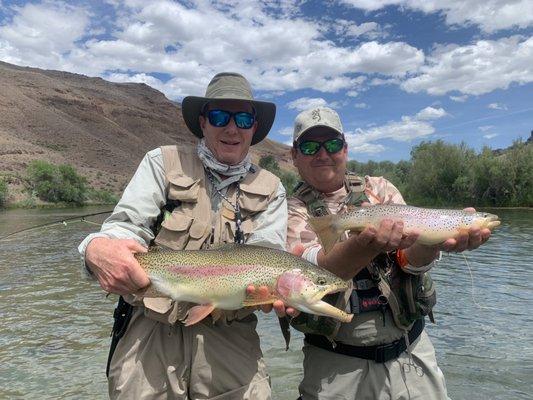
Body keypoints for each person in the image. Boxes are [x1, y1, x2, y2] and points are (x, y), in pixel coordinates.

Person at [79, 72, 289, 400]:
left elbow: (269, 253)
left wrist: (272, 291)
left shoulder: (273, 189)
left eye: (243, 118)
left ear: (253, 128)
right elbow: (125, 227)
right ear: (204, 122)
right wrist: (96, 246)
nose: (232, 128)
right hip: (149, 336)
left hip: (232, 342)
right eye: (220, 116)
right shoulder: (162, 162)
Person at [287, 106, 492, 400]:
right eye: (309, 146)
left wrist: (433, 243)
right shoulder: (290, 209)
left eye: (332, 144)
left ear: (345, 149)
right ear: (294, 156)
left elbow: (410, 262)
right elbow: (313, 275)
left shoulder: (380, 188)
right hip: (336, 368)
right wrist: (363, 246)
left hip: (412, 356)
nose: (323, 153)